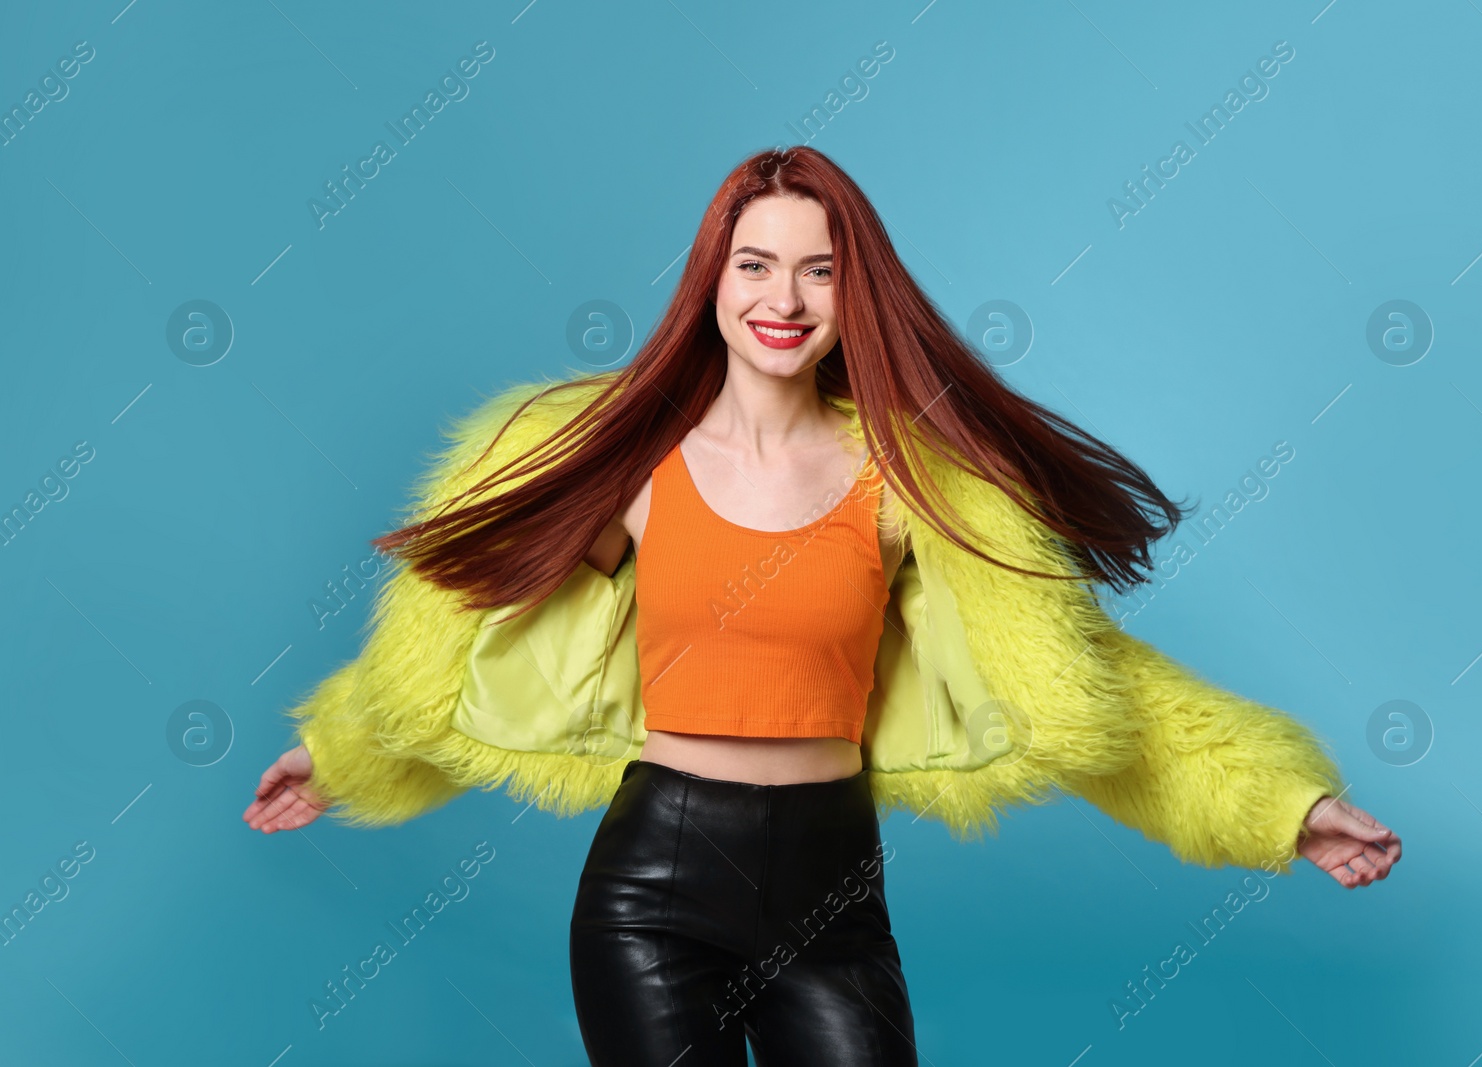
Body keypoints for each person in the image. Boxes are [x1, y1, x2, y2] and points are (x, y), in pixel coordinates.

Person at [243, 145, 1401, 1066]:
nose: (783, 298)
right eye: (754, 263)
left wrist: (1282, 807)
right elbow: (456, 642)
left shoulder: (906, 485)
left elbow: (1083, 685)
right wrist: (339, 752)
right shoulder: (633, 472)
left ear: (857, 291)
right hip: (652, 887)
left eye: (818, 268)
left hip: (834, 892)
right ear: (712, 280)